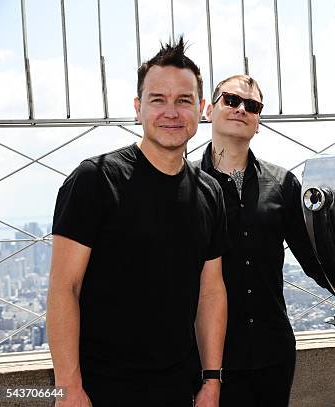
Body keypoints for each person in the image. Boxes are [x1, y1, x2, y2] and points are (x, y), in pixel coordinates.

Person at [47, 37, 228, 407]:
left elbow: (210, 291)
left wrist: (212, 380)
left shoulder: (210, 192)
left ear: (202, 109)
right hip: (101, 391)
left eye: (184, 100)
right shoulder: (95, 180)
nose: (171, 112)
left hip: (181, 389)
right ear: (137, 107)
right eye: (157, 99)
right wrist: (69, 388)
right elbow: (65, 288)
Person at [194, 74, 331, 407]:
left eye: (252, 106)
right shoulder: (186, 186)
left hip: (273, 352)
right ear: (209, 110)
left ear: (258, 124)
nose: (241, 109)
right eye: (231, 100)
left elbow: (315, 260)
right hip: (209, 359)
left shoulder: (283, 183)